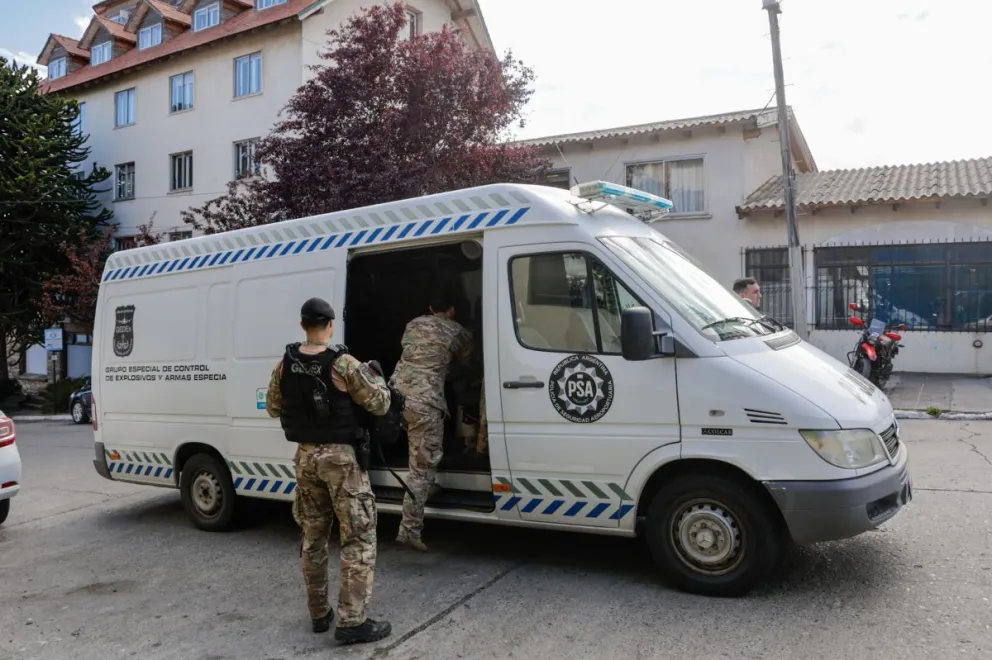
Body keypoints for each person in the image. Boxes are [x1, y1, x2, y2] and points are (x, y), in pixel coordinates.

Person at [265, 297, 392, 645]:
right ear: (331, 325)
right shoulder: (344, 364)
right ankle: (352, 621)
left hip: (306, 459)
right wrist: (377, 379)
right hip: (341, 462)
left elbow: (273, 408)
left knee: (313, 536)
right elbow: (380, 403)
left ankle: (319, 613)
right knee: (358, 537)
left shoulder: (284, 365)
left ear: (303, 325)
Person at [391, 288, 474, 552]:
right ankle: (409, 530)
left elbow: (412, 352)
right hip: (426, 403)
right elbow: (467, 364)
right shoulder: (458, 331)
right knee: (422, 468)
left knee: (418, 453)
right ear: (452, 310)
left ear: (430, 308)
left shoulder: (412, 324)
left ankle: (428, 487)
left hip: (395, 398)